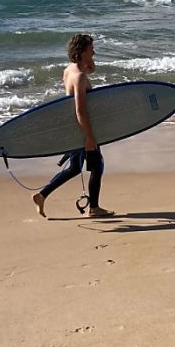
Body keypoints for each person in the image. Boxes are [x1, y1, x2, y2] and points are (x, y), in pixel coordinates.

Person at [30, 34, 115, 218]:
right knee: (97, 165)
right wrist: (90, 137)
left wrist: (89, 63)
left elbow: (89, 71)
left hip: (74, 128)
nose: (94, 51)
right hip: (83, 129)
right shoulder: (79, 77)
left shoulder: (70, 70)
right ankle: (94, 208)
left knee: (75, 168)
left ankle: (41, 195)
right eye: (91, 48)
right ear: (83, 51)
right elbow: (80, 110)